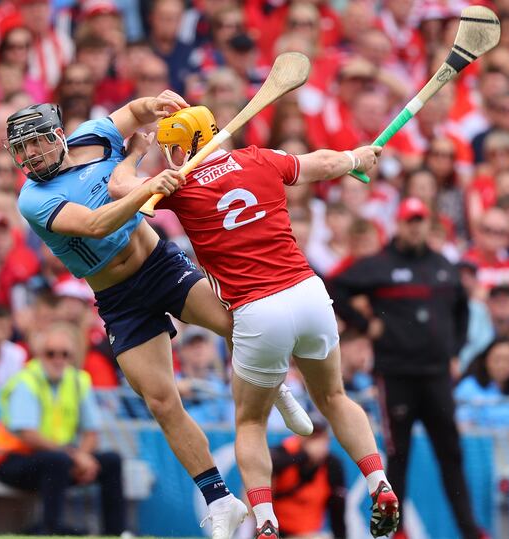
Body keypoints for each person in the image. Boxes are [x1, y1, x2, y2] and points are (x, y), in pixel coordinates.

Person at [7, 97, 309, 539]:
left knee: (236, 323)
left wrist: (160, 105)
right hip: (117, 298)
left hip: (160, 265)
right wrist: (144, 184)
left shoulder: (92, 135)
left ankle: (275, 384)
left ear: (57, 136)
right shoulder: (33, 199)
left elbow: (135, 113)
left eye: (36, 143)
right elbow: (95, 225)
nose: (30, 155)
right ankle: (220, 499)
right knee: (162, 401)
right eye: (22, 149)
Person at [112, 105, 398, 539]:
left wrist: (135, 154)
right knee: (335, 396)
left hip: (256, 310)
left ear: (187, 145)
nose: (170, 156)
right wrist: (356, 158)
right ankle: (379, 482)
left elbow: (118, 188)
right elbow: (320, 163)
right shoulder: (257, 158)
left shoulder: (177, 185)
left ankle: (265, 520)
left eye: (172, 148)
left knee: (250, 423)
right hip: (308, 294)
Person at [328, 197, 486, 539]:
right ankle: (394, 532)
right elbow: (333, 284)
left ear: (426, 225)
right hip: (396, 374)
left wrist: (455, 350)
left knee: (451, 453)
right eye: (409, 221)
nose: (415, 227)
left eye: (420, 221)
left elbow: (463, 309)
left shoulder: (443, 266)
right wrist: (363, 324)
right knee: (397, 455)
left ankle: (469, 530)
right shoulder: (380, 263)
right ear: (399, 224)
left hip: (436, 375)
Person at [0, 322, 125, 535]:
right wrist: (74, 456)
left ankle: (116, 533)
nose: (58, 359)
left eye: (64, 354)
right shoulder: (26, 381)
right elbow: (28, 435)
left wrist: (82, 456)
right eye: (51, 353)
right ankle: (51, 529)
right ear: (39, 354)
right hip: (15, 461)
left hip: (60, 460)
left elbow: (92, 432)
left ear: (73, 357)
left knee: (111, 461)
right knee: (57, 461)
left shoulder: (78, 381)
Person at [270, 417, 347, 539]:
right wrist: (306, 455)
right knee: (258, 483)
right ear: (299, 437)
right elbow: (271, 463)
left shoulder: (332, 464)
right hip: (276, 532)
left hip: (308, 533)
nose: (315, 442)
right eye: (311, 436)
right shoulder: (283, 453)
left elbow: (337, 511)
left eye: (319, 437)